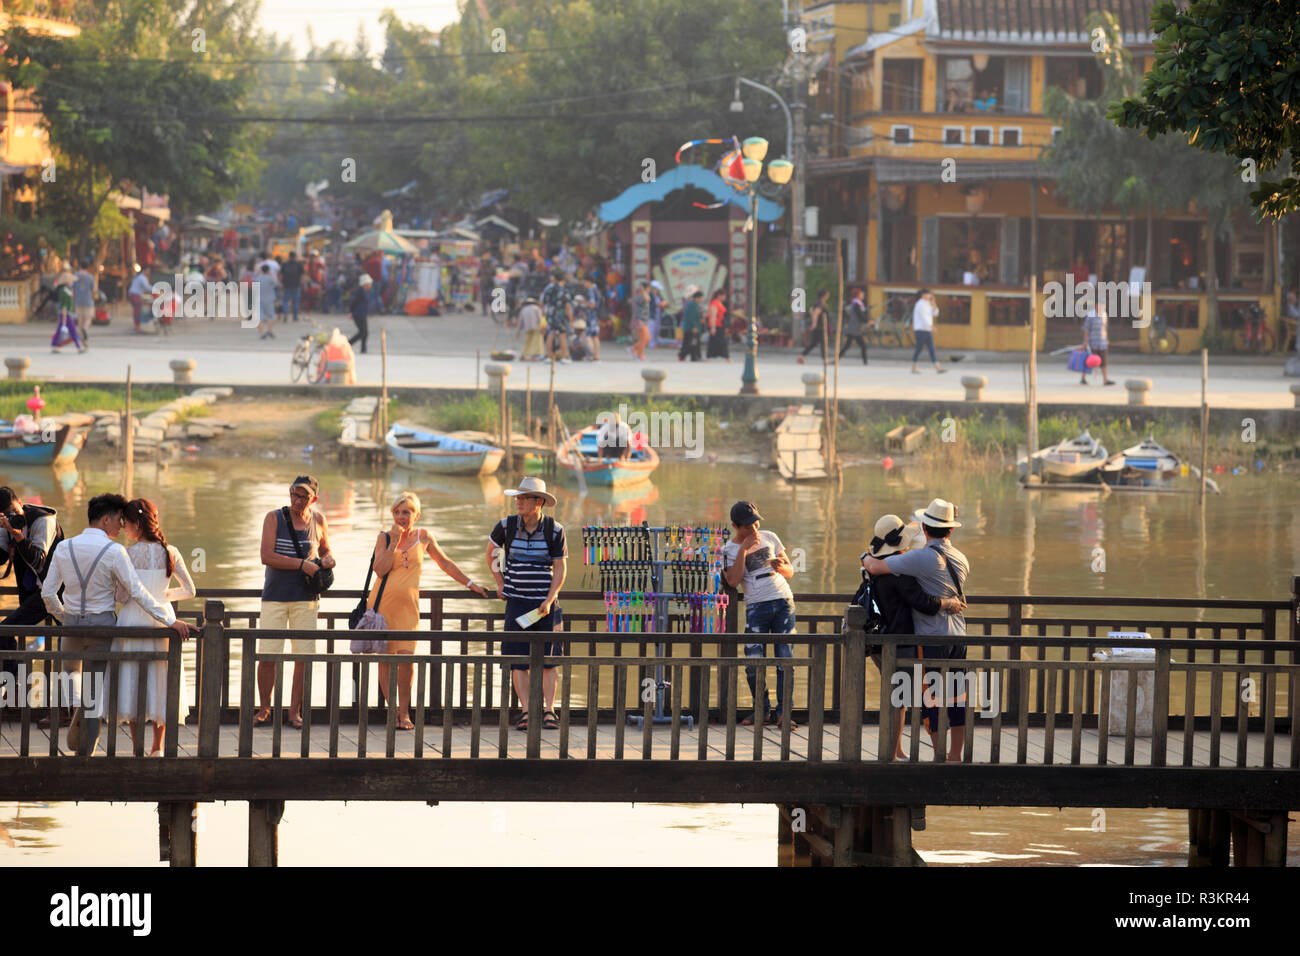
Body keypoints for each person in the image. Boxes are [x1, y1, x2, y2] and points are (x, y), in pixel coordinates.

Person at [41, 494, 191, 755]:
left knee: (71, 679)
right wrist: (169, 618)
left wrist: (66, 618)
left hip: (73, 627)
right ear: (106, 518)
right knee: (96, 690)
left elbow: (47, 593)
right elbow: (138, 592)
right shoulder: (115, 551)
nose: (121, 527)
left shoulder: (64, 547)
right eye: (118, 521)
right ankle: (85, 753)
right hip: (104, 627)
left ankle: (79, 708)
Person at [365, 493, 488, 730]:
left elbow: (446, 563)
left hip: (409, 609)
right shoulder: (384, 537)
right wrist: (393, 542)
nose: (401, 517)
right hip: (382, 608)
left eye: (407, 512)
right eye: (397, 512)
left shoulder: (424, 537)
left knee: (407, 661)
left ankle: (404, 711)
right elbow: (379, 570)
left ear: (416, 515)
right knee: (386, 661)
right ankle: (393, 713)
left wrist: (471, 584)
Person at [862, 498, 970, 762]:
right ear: (952, 530)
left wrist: (864, 555)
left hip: (930, 638)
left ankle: (939, 756)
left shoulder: (918, 558)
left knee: (931, 698)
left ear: (924, 528)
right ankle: (956, 756)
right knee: (956, 696)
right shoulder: (961, 558)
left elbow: (875, 567)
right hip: (959, 635)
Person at [254, 476, 335, 730]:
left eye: (303, 496)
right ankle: (264, 708)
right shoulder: (273, 518)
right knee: (268, 655)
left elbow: (325, 550)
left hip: (307, 599)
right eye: (294, 494)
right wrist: (302, 564)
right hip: (275, 596)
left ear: (314, 499)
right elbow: (266, 556)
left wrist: (329, 559)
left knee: (303, 656)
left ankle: (294, 712)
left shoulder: (319, 520)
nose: (297, 500)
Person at [114, 498, 195, 755]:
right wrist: (162, 596)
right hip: (164, 620)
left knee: (132, 677)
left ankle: (137, 746)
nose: (124, 529)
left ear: (137, 525)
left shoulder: (127, 554)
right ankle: (157, 748)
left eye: (126, 524)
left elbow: (121, 597)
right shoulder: (172, 552)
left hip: (132, 620)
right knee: (162, 680)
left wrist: (142, 595)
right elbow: (190, 591)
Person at [486, 478, 567, 732]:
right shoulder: (506, 525)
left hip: (545, 605)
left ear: (539, 502)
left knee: (549, 661)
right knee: (517, 660)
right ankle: (526, 711)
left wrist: (550, 598)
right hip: (517, 602)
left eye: (524, 498)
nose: (518, 502)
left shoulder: (555, 529)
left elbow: (560, 568)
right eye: (517, 498)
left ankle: (549, 711)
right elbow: (490, 552)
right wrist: (499, 582)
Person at [722, 501, 796, 727]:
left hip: (783, 600)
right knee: (754, 663)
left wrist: (779, 566)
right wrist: (744, 548)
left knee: (785, 659)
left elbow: (790, 571)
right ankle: (761, 710)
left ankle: (784, 714)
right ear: (735, 525)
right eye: (747, 525)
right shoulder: (729, 550)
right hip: (756, 606)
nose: (754, 529)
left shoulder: (770, 536)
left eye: (755, 522)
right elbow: (733, 581)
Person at [0, 487, 62, 689]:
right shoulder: (5, 525)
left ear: (20, 502)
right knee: (7, 630)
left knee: (66, 646)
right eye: (6, 514)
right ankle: (15, 687)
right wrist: (4, 531)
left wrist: (16, 534)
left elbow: (37, 560)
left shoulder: (43, 520)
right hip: (36, 592)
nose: (12, 517)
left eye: (13, 511)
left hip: (57, 591)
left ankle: (63, 707)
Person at [1081, 293, 1116, 386]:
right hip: (1092, 342)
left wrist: (1106, 339)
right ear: (1096, 305)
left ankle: (1105, 380)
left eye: (1104, 305)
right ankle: (1083, 378)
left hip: (1102, 343)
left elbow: (1105, 328)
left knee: (1104, 362)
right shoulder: (1090, 315)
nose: (1103, 306)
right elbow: (1086, 329)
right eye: (1101, 304)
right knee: (1089, 361)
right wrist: (1085, 341)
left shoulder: (1104, 315)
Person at [910, 289, 947, 374]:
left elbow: (936, 313)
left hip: (927, 330)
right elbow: (924, 317)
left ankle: (938, 368)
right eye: (928, 294)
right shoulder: (919, 304)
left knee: (931, 349)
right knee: (919, 348)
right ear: (923, 295)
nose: (930, 296)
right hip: (920, 329)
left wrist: (933, 304)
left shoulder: (928, 304)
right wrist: (931, 326)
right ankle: (913, 367)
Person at [540, 270, 573, 363]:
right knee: (562, 335)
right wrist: (570, 318)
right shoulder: (564, 291)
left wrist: (543, 313)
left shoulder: (549, 289)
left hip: (550, 313)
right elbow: (568, 306)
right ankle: (564, 357)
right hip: (561, 314)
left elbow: (543, 302)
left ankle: (548, 356)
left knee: (550, 334)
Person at [50, 271, 85, 353]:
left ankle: (54, 345)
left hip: (66, 313)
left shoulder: (66, 289)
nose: (71, 282)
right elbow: (64, 303)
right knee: (73, 330)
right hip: (65, 313)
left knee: (59, 330)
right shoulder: (63, 290)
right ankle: (78, 347)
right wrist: (65, 316)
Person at [797, 289, 830, 364]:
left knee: (813, 343)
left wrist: (814, 322)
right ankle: (825, 360)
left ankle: (802, 356)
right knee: (823, 343)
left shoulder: (816, 302)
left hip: (818, 326)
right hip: (820, 326)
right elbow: (815, 313)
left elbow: (811, 311)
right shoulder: (820, 303)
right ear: (824, 295)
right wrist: (814, 323)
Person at [839, 287, 869, 365]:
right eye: (861, 293)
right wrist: (868, 321)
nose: (863, 295)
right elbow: (861, 316)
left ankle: (837, 358)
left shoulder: (856, 304)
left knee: (847, 346)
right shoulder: (857, 304)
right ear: (858, 295)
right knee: (862, 346)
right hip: (855, 329)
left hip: (853, 328)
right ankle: (865, 362)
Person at [73, 261, 96, 345]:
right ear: (87, 267)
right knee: (88, 318)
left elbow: (72, 290)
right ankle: (85, 330)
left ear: (80, 266)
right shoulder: (90, 277)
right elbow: (94, 289)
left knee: (80, 320)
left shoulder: (75, 276)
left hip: (78, 301)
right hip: (88, 301)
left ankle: (82, 339)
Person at [678, 287, 704, 362]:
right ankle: (688, 356)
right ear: (697, 298)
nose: (701, 300)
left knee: (692, 343)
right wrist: (694, 326)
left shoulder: (694, 304)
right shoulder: (693, 305)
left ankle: (693, 356)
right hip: (691, 328)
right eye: (701, 298)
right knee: (691, 343)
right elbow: (692, 317)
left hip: (692, 328)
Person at [349, 273, 372, 353]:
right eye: (369, 284)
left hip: (363, 314)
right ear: (365, 283)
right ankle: (348, 344)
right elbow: (354, 302)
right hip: (358, 314)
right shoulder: (360, 291)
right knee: (362, 332)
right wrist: (351, 311)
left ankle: (363, 348)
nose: (370, 285)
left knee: (364, 333)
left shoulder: (366, 291)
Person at [706, 289, 731, 360]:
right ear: (719, 295)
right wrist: (712, 327)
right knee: (720, 341)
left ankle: (710, 356)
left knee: (716, 341)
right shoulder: (714, 303)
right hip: (716, 325)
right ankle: (726, 356)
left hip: (721, 325)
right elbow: (713, 316)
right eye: (724, 295)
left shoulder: (719, 303)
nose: (725, 297)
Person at [629, 282, 652, 360]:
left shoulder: (643, 295)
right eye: (648, 289)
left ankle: (633, 348)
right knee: (644, 338)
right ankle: (639, 356)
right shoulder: (638, 297)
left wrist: (644, 291)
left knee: (647, 338)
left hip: (644, 320)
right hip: (640, 320)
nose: (649, 291)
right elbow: (647, 299)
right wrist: (643, 290)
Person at [280, 250, 304, 322]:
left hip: (286, 285)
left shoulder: (285, 264)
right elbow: (302, 275)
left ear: (289, 257)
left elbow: (281, 275)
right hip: (296, 285)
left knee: (285, 301)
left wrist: (281, 283)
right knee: (296, 301)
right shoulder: (298, 264)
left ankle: (285, 313)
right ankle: (295, 317)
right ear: (295, 257)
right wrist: (302, 283)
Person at [582, 277, 602, 361]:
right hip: (596, 316)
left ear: (589, 282)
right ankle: (596, 356)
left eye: (585, 282)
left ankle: (591, 355)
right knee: (595, 336)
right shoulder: (597, 290)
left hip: (591, 316)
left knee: (589, 336)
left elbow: (592, 304)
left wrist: (583, 302)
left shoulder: (591, 290)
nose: (584, 284)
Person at [256, 264, 277, 340]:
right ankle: (269, 330)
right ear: (268, 270)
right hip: (269, 299)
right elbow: (276, 284)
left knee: (260, 317)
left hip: (259, 299)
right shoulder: (270, 278)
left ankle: (261, 333)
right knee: (272, 316)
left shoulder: (257, 278)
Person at [128, 266, 151, 332]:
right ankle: (137, 326)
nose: (149, 272)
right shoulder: (142, 278)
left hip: (132, 294)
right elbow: (147, 287)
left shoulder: (138, 277)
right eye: (148, 271)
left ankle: (136, 325)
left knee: (136, 310)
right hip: (135, 295)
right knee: (138, 310)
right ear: (145, 270)